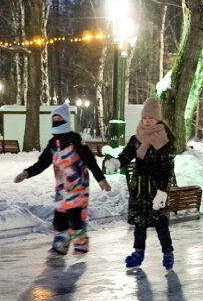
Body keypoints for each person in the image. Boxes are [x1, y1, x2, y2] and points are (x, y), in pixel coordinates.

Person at [14, 104, 111, 254]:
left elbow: (89, 160)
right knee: (59, 217)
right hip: (62, 187)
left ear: (66, 120)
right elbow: (42, 163)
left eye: (59, 119)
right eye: (54, 119)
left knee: (74, 216)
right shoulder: (53, 144)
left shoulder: (75, 140)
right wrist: (27, 173)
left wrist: (101, 179)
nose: (57, 122)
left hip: (78, 186)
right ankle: (60, 245)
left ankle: (81, 244)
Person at [105, 97, 175, 270]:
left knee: (160, 223)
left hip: (156, 187)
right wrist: (116, 162)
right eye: (144, 117)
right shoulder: (136, 137)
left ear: (158, 117)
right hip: (139, 188)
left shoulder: (165, 139)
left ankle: (168, 252)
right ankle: (138, 252)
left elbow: (167, 168)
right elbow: (127, 154)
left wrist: (163, 192)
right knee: (139, 222)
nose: (147, 120)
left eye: (150, 117)